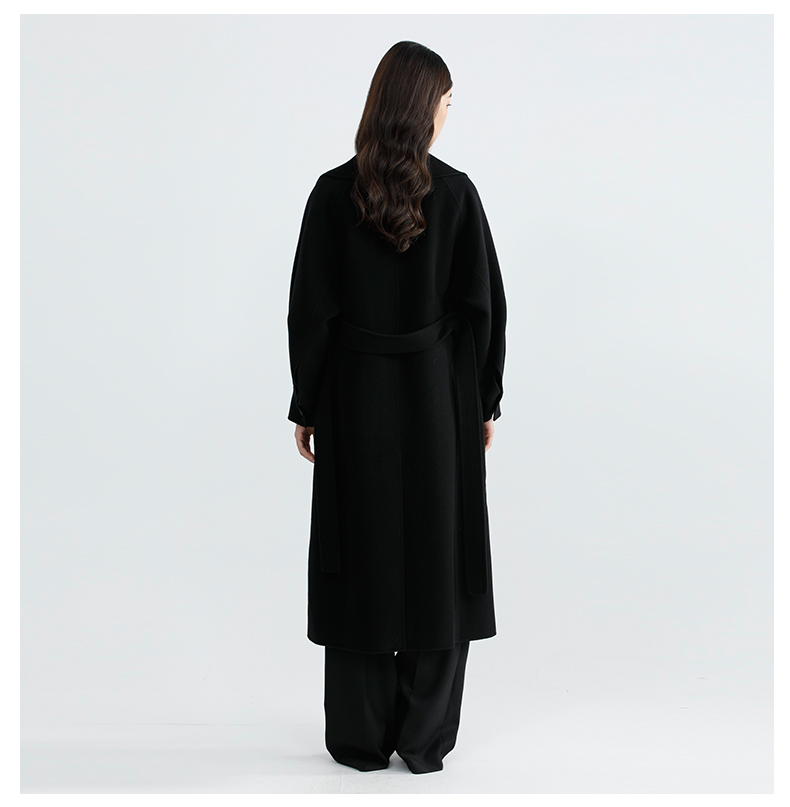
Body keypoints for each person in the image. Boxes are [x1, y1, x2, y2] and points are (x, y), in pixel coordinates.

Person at [286, 40, 507, 774]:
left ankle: (358, 735)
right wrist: (485, 399)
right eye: (445, 102)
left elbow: (309, 310)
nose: (448, 114)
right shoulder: (457, 194)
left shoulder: (330, 194)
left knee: (361, 552)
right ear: (424, 108)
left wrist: (309, 402)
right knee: (438, 554)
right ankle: (424, 737)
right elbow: (484, 306)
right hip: (440, 399)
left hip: (354, 400)